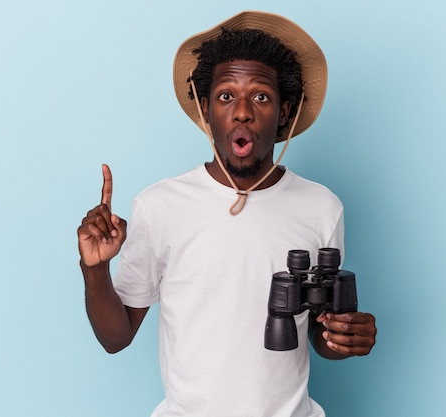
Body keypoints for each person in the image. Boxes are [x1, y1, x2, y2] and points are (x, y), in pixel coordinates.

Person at [78, 11, 377, 417]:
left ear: (284, 112)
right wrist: (94, 269)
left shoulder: (322, 207)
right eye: (225, 96)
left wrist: (346, 337)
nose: (241, 112)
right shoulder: (160, 205)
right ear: (205, 110)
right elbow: (117, 338)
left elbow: (320, 336)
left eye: (260, 96)